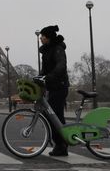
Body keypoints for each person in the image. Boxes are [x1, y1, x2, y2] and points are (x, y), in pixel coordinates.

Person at [39, 24, 70, 156]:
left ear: (48, 37)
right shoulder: (47, 51)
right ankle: (61, 144)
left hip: (60, 86)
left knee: (53, 116)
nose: (40, 38)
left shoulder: (58, 49)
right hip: (53, 86)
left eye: (42, 36)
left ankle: (61, 145)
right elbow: (45, 70)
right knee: (54, 116)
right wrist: (39, 78)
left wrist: (50, 76)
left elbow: (61, 65)